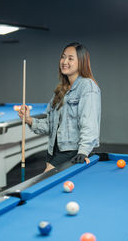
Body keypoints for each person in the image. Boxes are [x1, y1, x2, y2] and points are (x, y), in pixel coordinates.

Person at [19, 42, 101, 172]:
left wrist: (83, 151)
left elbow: (89, 123)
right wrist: (28, 119)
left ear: (81, 62)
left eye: (70, 58)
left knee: (43, 183)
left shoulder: (87, 86)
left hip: (71, 150)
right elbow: (50, 125)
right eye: (63, 57)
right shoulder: (61, 89)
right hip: (53, 149)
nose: (64, 61)